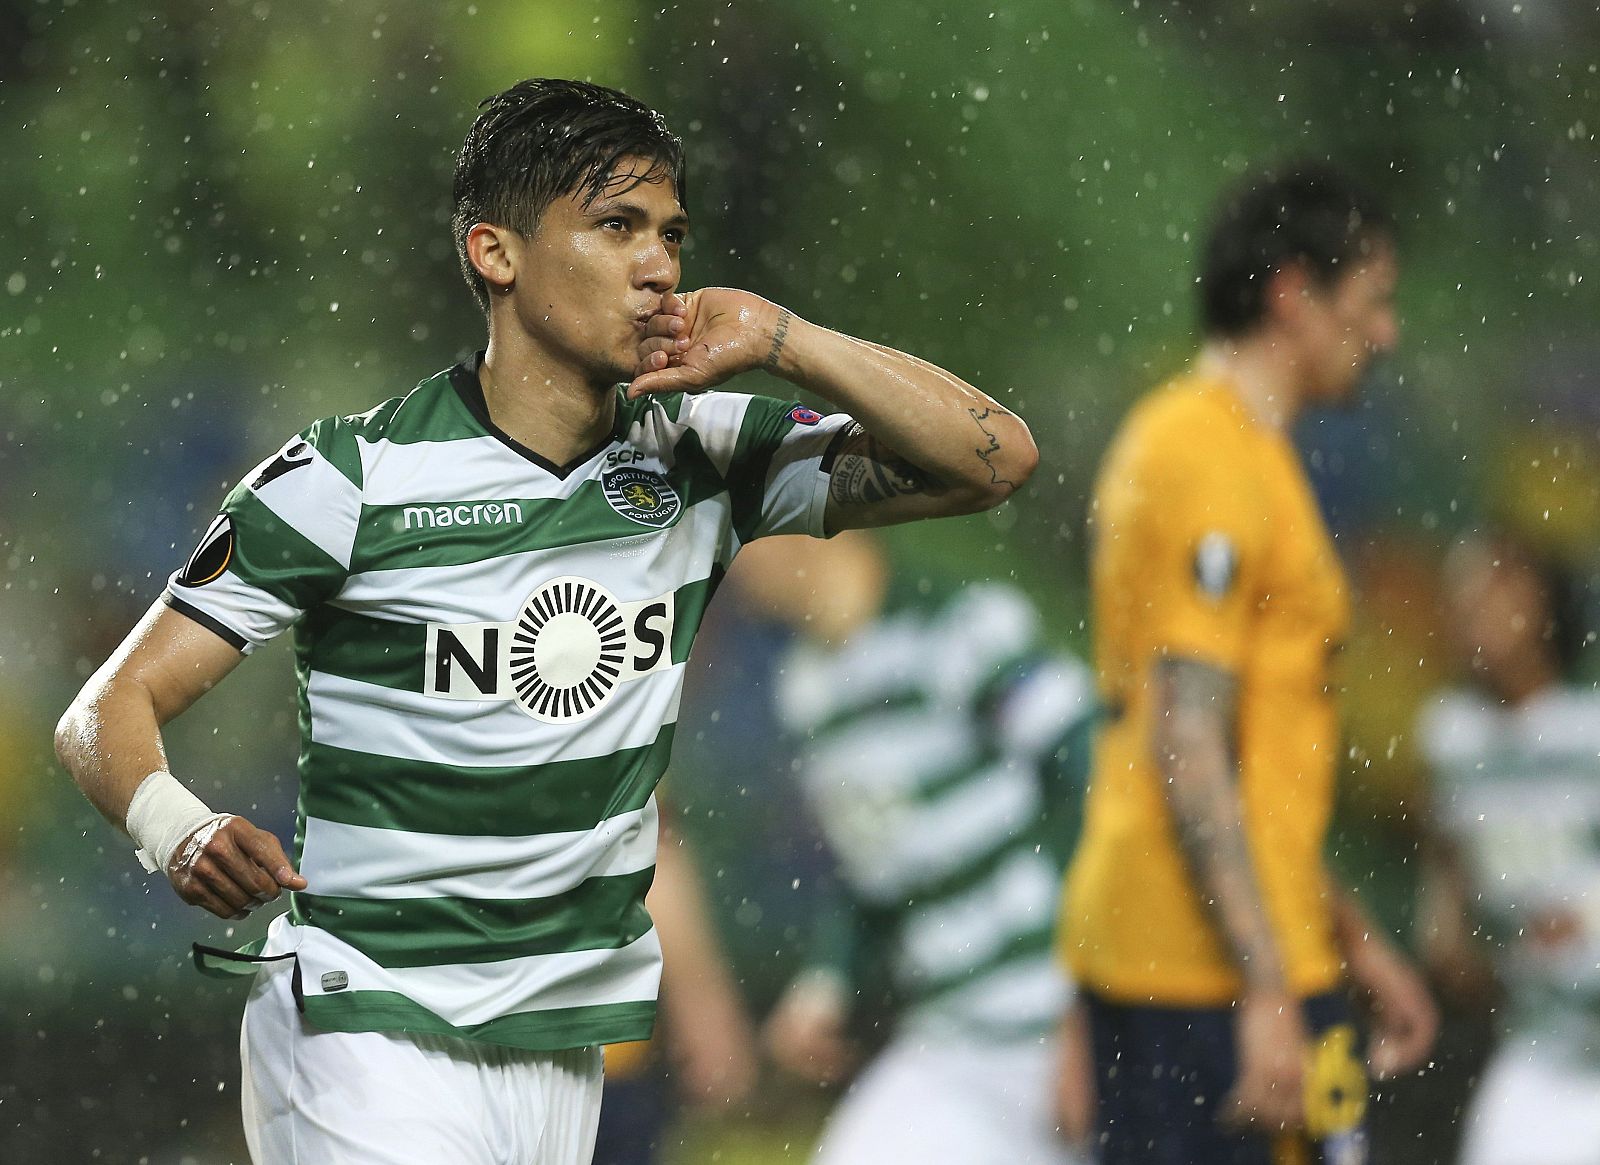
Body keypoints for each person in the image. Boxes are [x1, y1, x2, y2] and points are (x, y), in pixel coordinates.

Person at [53, 78, 1038, 1165]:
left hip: (564, 1049)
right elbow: (108, 709)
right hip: (366, 1021)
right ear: (496, 253)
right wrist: (174, 826)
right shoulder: (349, 479)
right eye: (615, 227)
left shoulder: (699, 453)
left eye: (669, 234)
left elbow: (992, 458)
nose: (658, 265)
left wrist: (786, 339)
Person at [1057, 164, 1438, 1165]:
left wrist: (1344, 933)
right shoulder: (1200, 453)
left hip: (1244, 957)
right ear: (1291, 295)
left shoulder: (1251, 453)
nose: (1386, 332)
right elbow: (1187, 738)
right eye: (1371, 301)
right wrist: (1267, 990)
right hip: (1198, 979)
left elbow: (1255, 755)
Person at [744, 531, 1097, 1164]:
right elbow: (874, 868)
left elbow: (1099, 782)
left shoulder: (958, 628)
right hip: (955, 1040)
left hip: (1062, 1030)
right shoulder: (806, 688)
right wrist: (828, 980)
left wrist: (1090, 1012)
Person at [1416, 530, 1600, 1165]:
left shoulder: (1588, 731)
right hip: (1540, 1050)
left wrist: (1588, 916)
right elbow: (1448, 894)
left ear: (1540, 601)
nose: (1474, 606)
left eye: (1494, 585)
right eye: (1461, 592)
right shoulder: (1453, 741)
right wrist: (1455, 939)